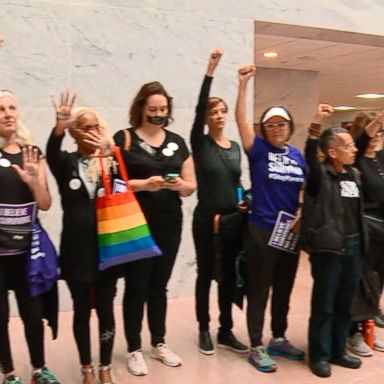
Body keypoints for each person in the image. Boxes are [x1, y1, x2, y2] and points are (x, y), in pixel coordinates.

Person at [113, 81, 196, 376]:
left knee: (159, 285)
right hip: (134, 223)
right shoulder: (124, 139)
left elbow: (191, 186)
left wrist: (177, 185)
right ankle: (134, 348)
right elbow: (113, 182)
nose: (159, 113)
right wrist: (144, 184)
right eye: (153, 109)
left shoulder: (177, 141)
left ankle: (159, 342)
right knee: (136, 286)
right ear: (141, 109)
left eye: (163, 109)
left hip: (169, 222)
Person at [235, 66, 306, 373]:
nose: (277, 128)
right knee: (260, 288)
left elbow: (304, 188)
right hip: (262, 230)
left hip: (290, 232)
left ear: (290, 127)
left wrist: (302, 210)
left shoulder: (297, 155)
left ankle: (278, 337)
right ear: (263, 129)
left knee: (284, 287)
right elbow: (239, 121)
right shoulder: (259, 149)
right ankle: (256, 344)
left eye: (282, 123)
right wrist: (243, 85)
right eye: (271, 124)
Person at [46, 91, 118, 384]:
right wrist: (59, 126)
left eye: (95, 127)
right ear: (75, 134)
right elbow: (51, 152)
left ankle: (105, 367)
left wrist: (112, 151)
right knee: (80, 311)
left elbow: (126, 186)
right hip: (76, 249)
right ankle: (86, 368)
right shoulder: (66, 162)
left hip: (107, 249)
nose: (92, 132)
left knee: (105, 309)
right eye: (85, 128)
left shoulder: (110, 163)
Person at [190, 49, 248, 355]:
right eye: (213, 111)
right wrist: (210, 71)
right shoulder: (200, 144)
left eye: (223, 110)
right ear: (206, 117)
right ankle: (203, 328)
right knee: (204, 275)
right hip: (205, 221)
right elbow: (200, 105)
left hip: (232, 221)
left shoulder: (235, 146)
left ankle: (225, 329)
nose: (219, 115)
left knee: (228, 276)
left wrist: (243, 199)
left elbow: (236, 182)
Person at [301, 105, 366, 378]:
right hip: (328, 249)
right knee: (324, 305)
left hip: (354, 247)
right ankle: (320, 355)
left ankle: (338, 350)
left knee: (344, 304)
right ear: (332, 152)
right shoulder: (319, 176)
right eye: (348, 146)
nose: (353, 150)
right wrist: (317, 121)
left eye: (353, 145)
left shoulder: (354, 175)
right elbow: (309, 152)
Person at [0, 90, 59, 384]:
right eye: (1, 109)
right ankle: (9, 374)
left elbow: (45, 203)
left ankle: (39, 369)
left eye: (12, 107)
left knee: (33, 316)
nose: (8, 113)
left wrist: (34, 181)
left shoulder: (31, 153)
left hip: (27, 254)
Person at [347, 111, 384, 356]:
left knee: (377, 282)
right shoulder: (356, 159)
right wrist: (376, 121)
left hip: (383, 231)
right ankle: (353, 332)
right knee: (362, 283)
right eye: (372, 131)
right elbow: (360, 143)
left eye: (380, 131)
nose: (376, 135)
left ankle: (370, 327)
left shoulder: (381, 158)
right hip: (366, 228)